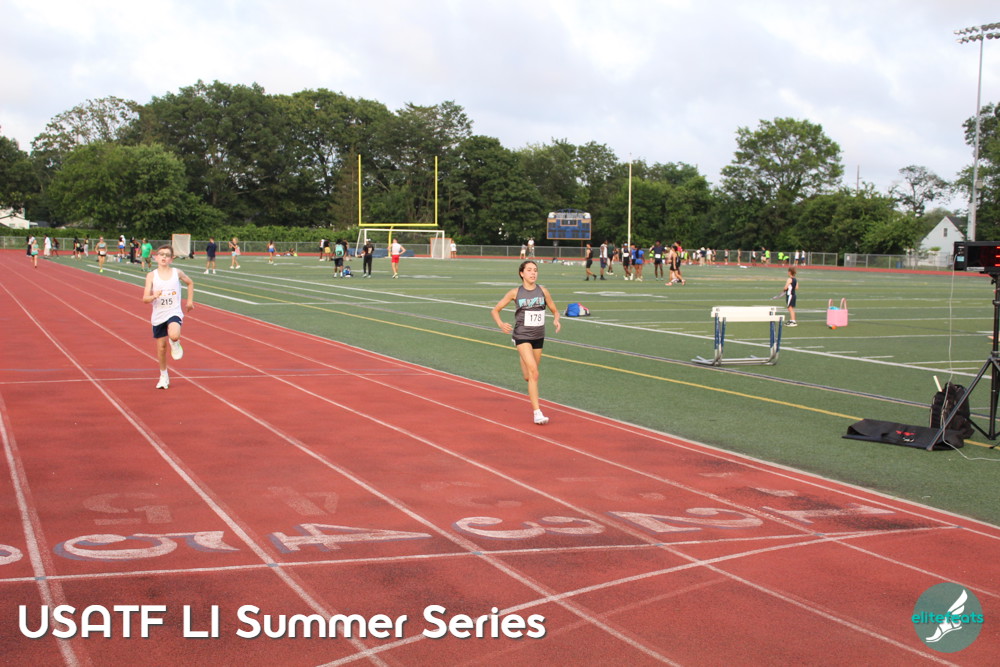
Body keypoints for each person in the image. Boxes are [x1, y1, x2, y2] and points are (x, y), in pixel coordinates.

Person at [491, 260, 561, 425]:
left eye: (535, 270)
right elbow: (495, 310)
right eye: (529, 270)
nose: (533, 273)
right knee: (534, 373)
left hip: (538, 336)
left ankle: (523, 357)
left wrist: (556, 320)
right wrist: (501, 324)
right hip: (522, 335)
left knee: (528, 376)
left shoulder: (543, 291)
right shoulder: (515, 293)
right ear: (522, 273)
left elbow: (555, 310)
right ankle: (537, 413)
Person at [143, 245, 194, 389]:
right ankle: (163, 375)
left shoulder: (177, 273)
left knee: (174, 334)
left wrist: (189, 301)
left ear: (171, 259)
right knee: (161, 348)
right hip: (159, 314)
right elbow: (145, 298)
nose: (164, 257)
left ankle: (175, 342)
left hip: (174, 311)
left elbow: (190, 283)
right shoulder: (151, 276)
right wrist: (154, 296)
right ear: (156, 257)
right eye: (161, 254)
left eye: (167, 255)